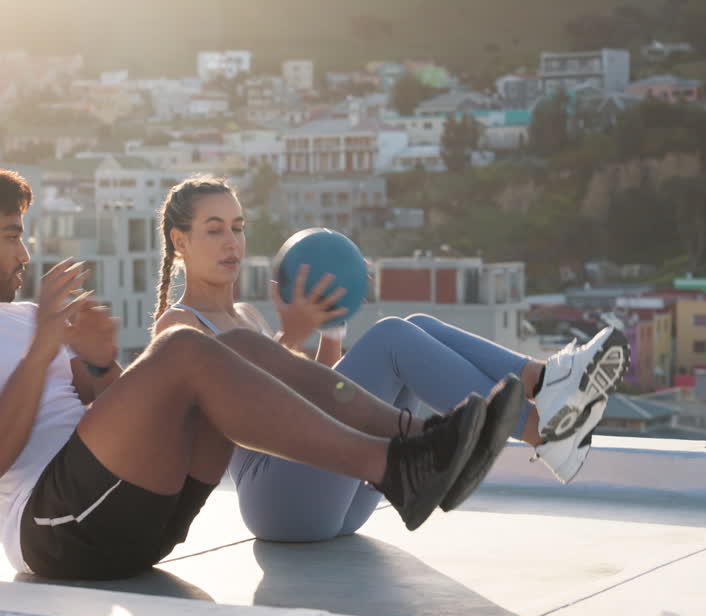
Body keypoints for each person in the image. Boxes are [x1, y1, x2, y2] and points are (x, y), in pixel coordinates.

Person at [0, 160, 523, 581]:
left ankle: (419, 439)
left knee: (235, 344)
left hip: (142, 513)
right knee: (186, 346)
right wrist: (42, 349)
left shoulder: (30, 316)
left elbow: (115, 413)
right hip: (54, 531)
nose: (25, 252)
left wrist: (100, 363)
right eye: (10, 235)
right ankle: (393, 467)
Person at [151, 176, 629, 542]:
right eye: (214, 230)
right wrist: (291, 334)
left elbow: (320, 396)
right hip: (277, 501)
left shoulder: (248, 315)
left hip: (336, 495)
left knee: (415, 325)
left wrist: (330, 330)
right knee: (391, 339)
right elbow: (250, 413)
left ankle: (544, 383)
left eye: (237, 228)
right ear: (180, 241)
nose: (232, 242)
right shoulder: (179, 325)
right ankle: (543, 428)